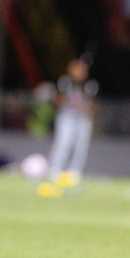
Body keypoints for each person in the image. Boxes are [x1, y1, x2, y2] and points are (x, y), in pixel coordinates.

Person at [46, 57, 99, 186]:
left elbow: (94, 105)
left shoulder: (90, 85)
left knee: (81, 146)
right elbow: (56, 99)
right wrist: (70, 104)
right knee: (63, 142)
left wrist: (84, 108)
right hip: (67, 116)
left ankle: (75, 172)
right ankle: (55, 169)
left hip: (83, 118)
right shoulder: (65, 82)